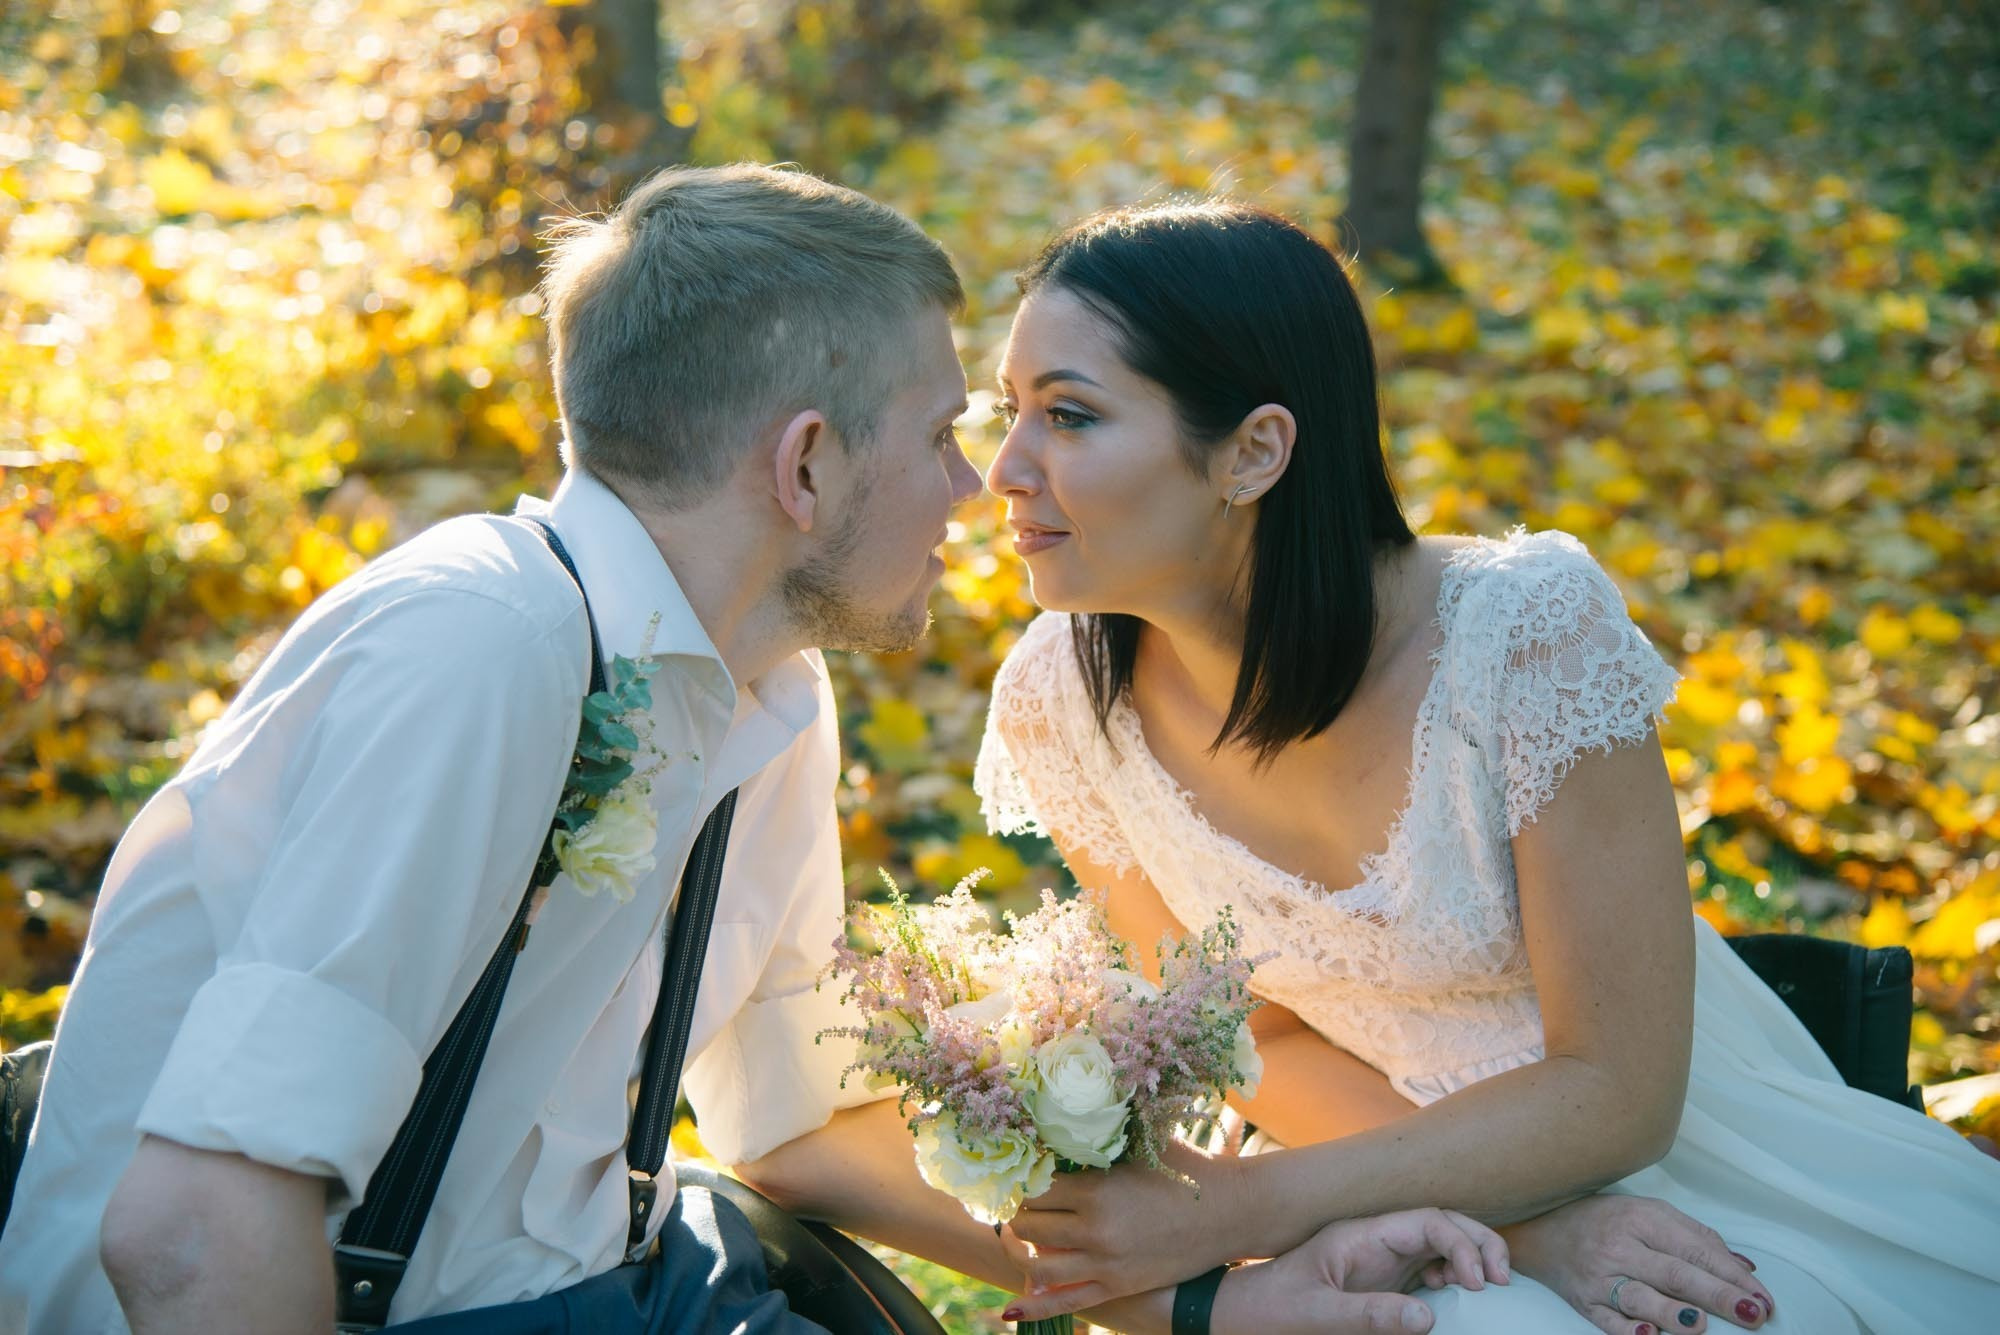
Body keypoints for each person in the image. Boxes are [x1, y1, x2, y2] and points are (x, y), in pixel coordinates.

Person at [0, 165, 1505, 1335]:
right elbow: (193, 1234)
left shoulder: (770, 693)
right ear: (803, 465)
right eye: (938, 434)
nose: (978, 483)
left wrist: (1208, 1285)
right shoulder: (479, 648)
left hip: (629, 1280)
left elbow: (791, 1118)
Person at [967, 198, 2000, 1335]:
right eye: (1008, 411)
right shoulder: (1060, 701)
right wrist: (1511, 1233)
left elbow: (1616, 1094)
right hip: (1351, 1163)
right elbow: (1256, 1039)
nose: (1002, 470)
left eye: (1066, 416)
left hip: (1693, 1169)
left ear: (1253, 452)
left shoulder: (1522, 637)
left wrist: (1236, 1208)